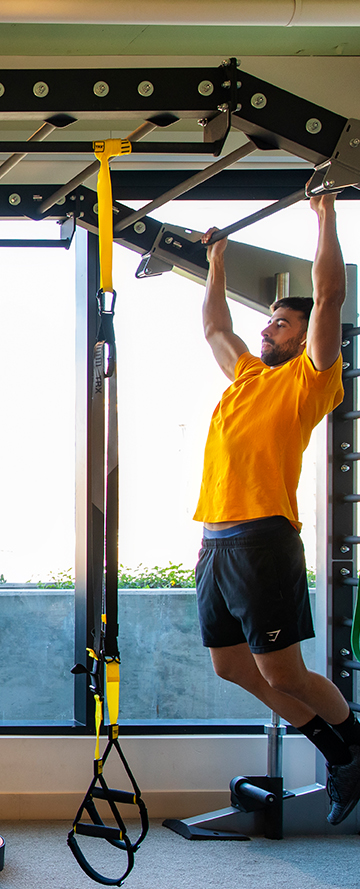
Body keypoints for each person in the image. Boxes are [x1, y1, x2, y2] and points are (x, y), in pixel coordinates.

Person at [196, 192, 360, 824]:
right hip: (216, 540)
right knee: (231, 665)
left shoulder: (312, 379)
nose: (267, 328)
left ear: (306, 338)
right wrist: (216, 260)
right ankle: (340, 752)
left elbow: (331, 297)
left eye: (281, 323)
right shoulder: (245, 377)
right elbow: (214, 326)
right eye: (267, 320)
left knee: (283, 670)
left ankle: (357, 744)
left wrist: (326, 217)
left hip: (264, 538)